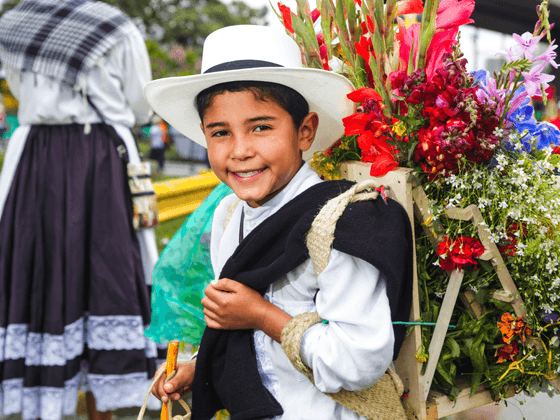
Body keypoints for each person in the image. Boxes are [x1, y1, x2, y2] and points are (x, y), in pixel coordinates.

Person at [144, 25, 413, 420]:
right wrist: (201, 368)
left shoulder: (340, 225)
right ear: (204, 137)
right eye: (221, 133)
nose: (240, 151)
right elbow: (245, 337)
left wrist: (261, 316)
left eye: (261, 127)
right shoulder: (228, 215)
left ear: (305, 132)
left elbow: (358, 362)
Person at [0, 1, 161, 420]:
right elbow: (140, 104)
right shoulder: (115, 27)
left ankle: (46, 394)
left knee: (41, 265)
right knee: (106, 270)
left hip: (36, 155)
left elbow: (16, 89)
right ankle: (99, 406)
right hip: (99, 156)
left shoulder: (14, 22)